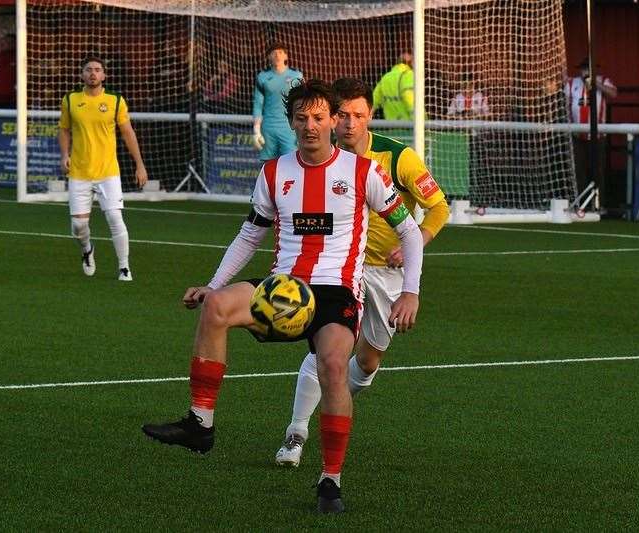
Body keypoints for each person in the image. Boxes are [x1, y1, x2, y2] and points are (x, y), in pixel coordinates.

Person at [142, 79, 424, 514]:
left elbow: (408, 231)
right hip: (283, 287)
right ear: (290, 122)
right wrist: (214, 285)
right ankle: (201, 423)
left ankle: (330, 479)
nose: (310, 126)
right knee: (216, 308)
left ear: (333, 120)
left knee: (332, 365)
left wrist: (411, 293)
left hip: (338, 293)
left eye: (318, 118)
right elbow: (250, 234)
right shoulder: (274, 173)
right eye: (300, 118)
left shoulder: (364, 172)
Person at [274, 77, 449, 468]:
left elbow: (439, 207)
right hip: (337, 270)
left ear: (370, 115)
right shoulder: (320, 158)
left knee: (367, 362)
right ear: (332, 118)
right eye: (343, 115)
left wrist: (413, 241)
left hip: (385, 271)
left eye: (359, 115)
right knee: (325, 348)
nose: (350, 123)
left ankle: (334, 405)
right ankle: (297, 431)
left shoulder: (398, 157)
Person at [58, 55, 148, 281]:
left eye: (97, 69)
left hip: (108, 172)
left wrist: (140, 164)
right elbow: (64, 130)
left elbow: (128, 133)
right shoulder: (70, 100)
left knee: (115, 219)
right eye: (88, 69)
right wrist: (64, 155)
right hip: (79, 171)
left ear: (104, 75)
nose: (93, 73)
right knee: (78, 225)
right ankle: (87, 249)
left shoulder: (115, 101)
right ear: (82, 74)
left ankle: (124, 267)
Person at [564, 57, 618, 196]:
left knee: (597, 170)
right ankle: (580, 203)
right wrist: (557, 80)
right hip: (576, 135)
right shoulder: (572, 83)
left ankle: (598, 203)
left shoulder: (603, 80)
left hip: (597, 136)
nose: (586, 71)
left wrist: (594, 83)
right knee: (578, 171)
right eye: (584, 69)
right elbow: (549, 89)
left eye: (589, 69)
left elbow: (613, 93)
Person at [251, 42, 303, 161]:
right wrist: (256, 131)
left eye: (280, 52)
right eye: (273, 53)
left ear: (286, 56)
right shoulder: (262, 77)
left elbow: (302, 103)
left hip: (290, 128)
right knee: (268, 164)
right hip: (268, 127)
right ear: (269, 57)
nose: (277, 55)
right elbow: (258, 104)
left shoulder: (297, 75)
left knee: (292, 162)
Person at [372, 51, 414, 120]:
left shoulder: (385, 77)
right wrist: (422, 121)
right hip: (410, 126)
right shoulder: (409, 75)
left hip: (392, 126)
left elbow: (373, 101)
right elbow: (410, 99)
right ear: (410, 63)